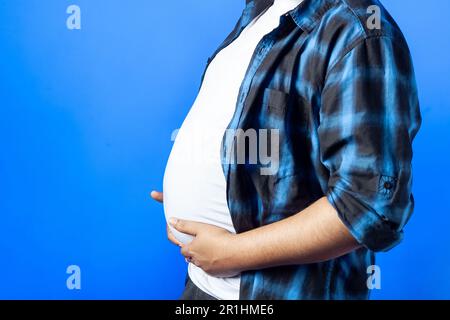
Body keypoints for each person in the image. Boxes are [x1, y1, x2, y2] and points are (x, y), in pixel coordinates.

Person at [151, 0, 421, 300]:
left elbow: (368, 205)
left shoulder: (358, 29)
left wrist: (232, 253)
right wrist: (192, 198)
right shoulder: (260, 13)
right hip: (203, 287)